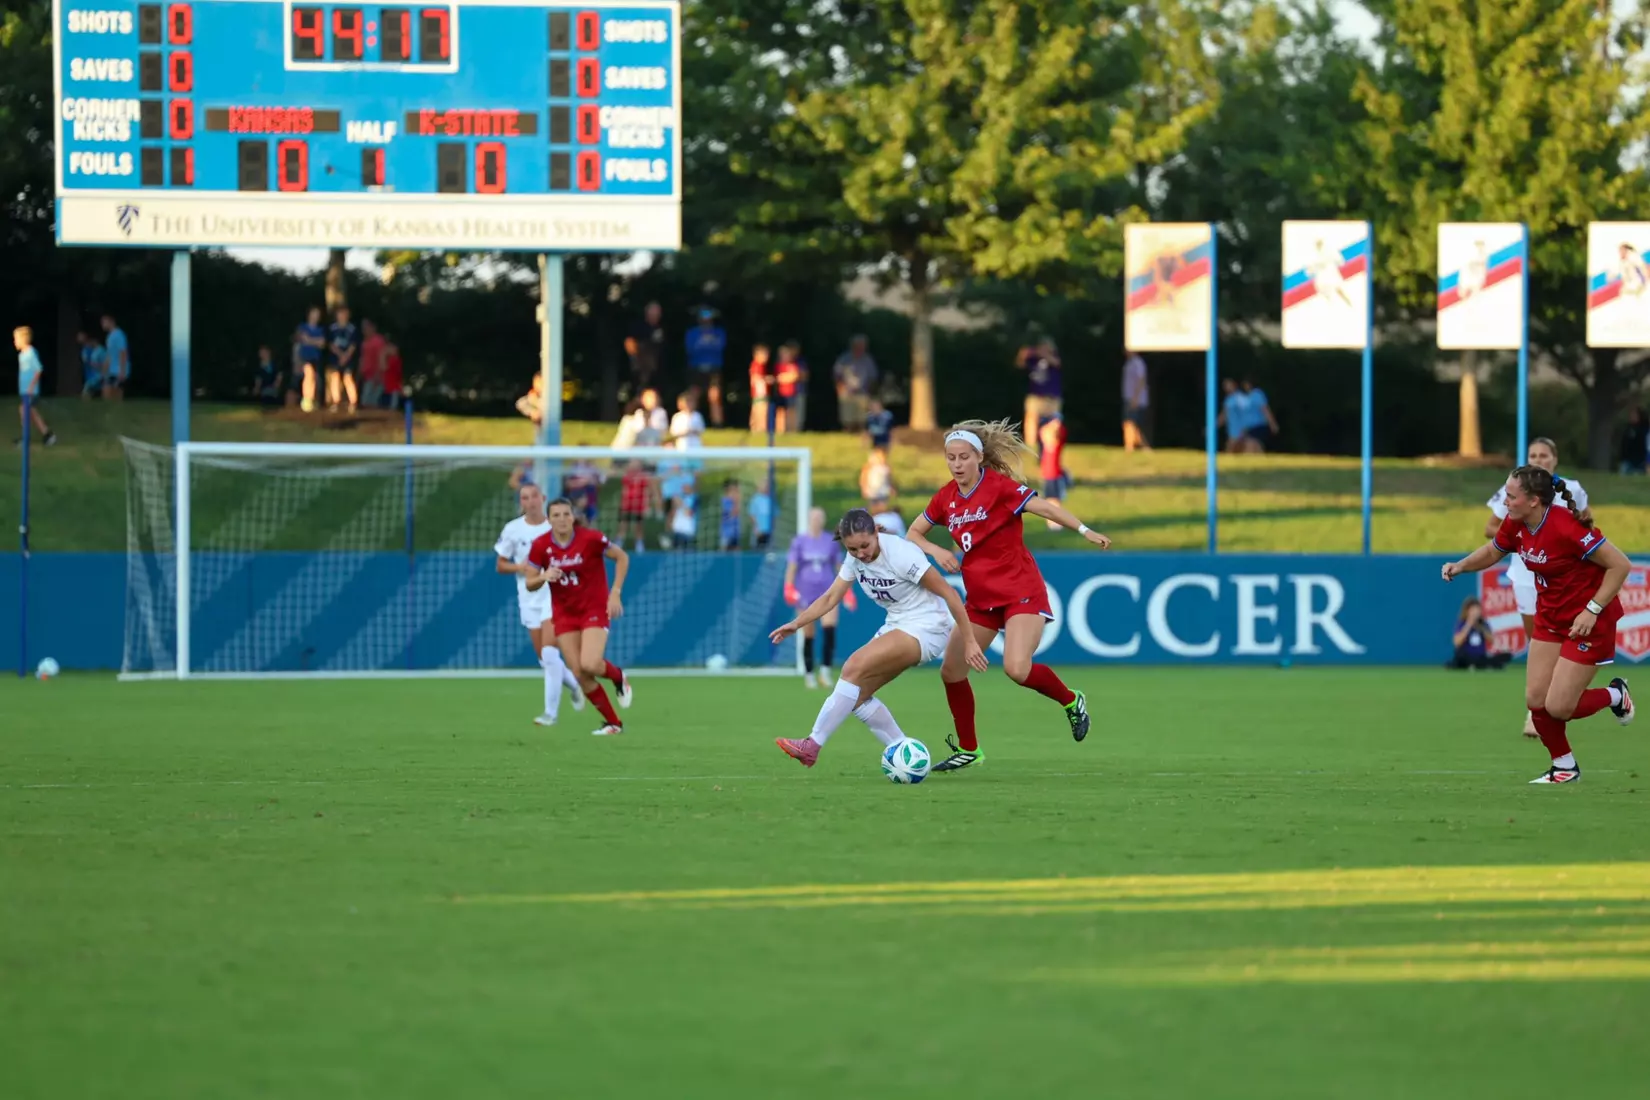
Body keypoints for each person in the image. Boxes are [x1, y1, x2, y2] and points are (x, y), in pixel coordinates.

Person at [906, 420, 1112, 772]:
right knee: (952, 671)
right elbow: (913, 532)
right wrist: (934, 551)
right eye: (951, 458)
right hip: (981, 598)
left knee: (1017, 669)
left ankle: (1071, 700)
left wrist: (1084, 529)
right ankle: (969, 749)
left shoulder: (1000, 488)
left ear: (978, 457)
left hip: (1021, 592)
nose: (956, 464)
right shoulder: (945, 498)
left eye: (963, 458)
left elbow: (1045, 508)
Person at [1443, 465, 1635, 784]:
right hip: (1550, 618)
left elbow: (1620, 565)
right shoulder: (1515, 524)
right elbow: (1493, 550)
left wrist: (1592, 609)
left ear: (1533, 501)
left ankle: (1615, 695)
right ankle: (1564, 767)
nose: (1505, 501)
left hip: (1588, 622)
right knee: (1536, 702)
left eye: (1511, 496)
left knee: (1559, 707)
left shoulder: (1565, 525)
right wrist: (1460, 566)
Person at [772, 509, 988, 768]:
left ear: (876, 532)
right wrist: (796, 624)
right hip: (898, 623)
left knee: (852, 666)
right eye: (852, 549)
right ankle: (907, 754)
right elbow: (830, 598)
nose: (860, 553)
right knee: (857, 696)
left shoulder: (900, 553)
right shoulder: (855, 560)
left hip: (927, 626)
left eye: (864, 545)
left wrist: (970, 641)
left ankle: (812, 745)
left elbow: (950, 594)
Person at [1485, 436, 1588, 737]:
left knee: (1564, 645)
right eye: (1534, 454)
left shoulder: (1573, 489)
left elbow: (1586, 527)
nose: (1540, 459)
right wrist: (1526, 540)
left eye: (1545, 455)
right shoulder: (1516, 489)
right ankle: (1536, 710)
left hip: (1565, 580)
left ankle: (1555, 706)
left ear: (1554, 459)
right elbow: (1491, 527)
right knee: (1539, 642)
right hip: (1527, 575)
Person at [525, 498, 633, 736]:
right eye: (556, 515)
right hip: (564, 615)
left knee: (590, 663)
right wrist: (544, 576)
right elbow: (529, 582)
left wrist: (615, 593)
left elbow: (622, 557)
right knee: (580, 674)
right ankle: (614, 724)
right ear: (548, 519)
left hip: (593, 609)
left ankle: (618, 676)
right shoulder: (540, 546)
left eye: (566, 514)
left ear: (573, 517)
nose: (562, 519)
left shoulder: (590, 538)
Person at [494, 482, 584, 726]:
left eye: (534, 496)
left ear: (542, 498)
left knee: (549, 651)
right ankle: (575, 686)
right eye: (525, 497)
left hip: (554, 596)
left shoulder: (555, 525)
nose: (530, 501)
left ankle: (550, 714)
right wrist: (520, 567)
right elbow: (500, 564)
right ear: (521, 502)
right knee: (546, 659)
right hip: (529, 596)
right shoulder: (513, 529)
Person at [786, 506, 854, 688]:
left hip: (827, 592)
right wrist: (789, 587)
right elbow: (792, 566)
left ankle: (825, 670)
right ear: (809, 519)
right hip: (805, 594)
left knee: (829, 629)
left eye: (820, 518)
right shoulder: (799, 541)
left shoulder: (829, 541)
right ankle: (809, 673)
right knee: (808, 634)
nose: (817, 521)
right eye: (814, 517)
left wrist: (847, 590)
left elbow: (839, 566)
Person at [13, 327, 57, 447]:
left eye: (16, 339)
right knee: (32, 413)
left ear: (23, 339)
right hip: (25, 391)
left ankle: (25, 439)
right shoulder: (21, 355)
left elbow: (38, 370)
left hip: (31, 391)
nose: (14, 342)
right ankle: (48, 435)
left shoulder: (30, 353)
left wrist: (32, 387)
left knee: (23, 410)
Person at [1016, 335, 1062, 445]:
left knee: (1053, 422)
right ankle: (1030, 443)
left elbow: (1057, 363)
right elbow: (1020, 363)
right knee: (1031, 419)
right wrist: (1025, 353)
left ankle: (1051, 444)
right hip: (1036, 395)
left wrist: (1042, 353)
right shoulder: (1033, 359)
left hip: (1052, 396)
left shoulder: (1054, 357)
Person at [685, 307, 727, 427]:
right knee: (694, 395)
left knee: (715, 396)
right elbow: (691, 349)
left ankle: (717, 424)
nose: (706, 320)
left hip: (714, 367)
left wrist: (704, 344)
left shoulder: (719, 332)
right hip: (696, 368)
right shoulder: (692, 333)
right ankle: (692, 422)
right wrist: (706, 344)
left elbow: (719, 348)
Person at [1449, 597, 1511, 671]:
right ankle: (1476, 665)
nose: (1475, 613)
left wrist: (1480, 628)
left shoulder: (1483, 624)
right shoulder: (1462, 624)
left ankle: (1476, 665)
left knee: (1505, 655)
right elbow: (1457, 642)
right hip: (1466, 656)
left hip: (1480, 656)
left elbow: (1492, 640)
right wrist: (1468, 625)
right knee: (1459, 656)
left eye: (1477, 610)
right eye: (1473, 610)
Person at [833, 335, 878, 432]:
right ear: (853, 346)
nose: (861, 348)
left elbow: (872, 377)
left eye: (863, 345)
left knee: (861, 419)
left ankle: (859, 437)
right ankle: (847, 437)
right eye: (859, 345)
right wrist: (840, 389)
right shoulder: (844, 359)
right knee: (847, 419)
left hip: (862, 393)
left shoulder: (868, 360)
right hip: (847, 392)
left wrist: (869, 392)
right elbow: (837, 375)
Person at [625, 300, 665, 397]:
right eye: (655, 311)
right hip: (640, 368)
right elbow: (629, 343)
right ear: (647, 312)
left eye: (658, 312)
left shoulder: (660, 328)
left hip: (656, 368)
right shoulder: (637, 327)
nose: (657, 314)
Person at [616, 460, 657, 553]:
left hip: (639, 505)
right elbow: (624, 489)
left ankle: (639, 545)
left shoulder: (644, 477)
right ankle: (619, 543)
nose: (634, 465)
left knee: (639, 525)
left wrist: (646, 505)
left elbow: (647, 491)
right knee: (623, 524)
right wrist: (623, 502)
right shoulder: (627, 475)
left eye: (636, 464)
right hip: (627, 504)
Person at [1037, 413, 1069, 532]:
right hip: (1048, 475)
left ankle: (1055, 523)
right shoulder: (1046, 439)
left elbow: (1059, 431)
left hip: (1055, 475)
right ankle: (1052, 523)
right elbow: (1043, 431)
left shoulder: (1058, 439)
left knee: (1054, 500)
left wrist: (1054, 424)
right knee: (1051, 500)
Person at [326, 305, 360, 413]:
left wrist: (346, 356)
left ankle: (353, 402)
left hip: (348, 358)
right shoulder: (332, 328)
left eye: (345, 314)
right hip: (335, 357)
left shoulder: (352, 329)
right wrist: (340, 354)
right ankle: (336, 402)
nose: (342, 316)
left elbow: (353, 345)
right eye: (340, 314)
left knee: (348, 378)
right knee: (335, 378)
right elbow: (330, 344)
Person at [294, 307, 326, 412]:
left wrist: (310, 340)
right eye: (314, 314)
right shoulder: (302, 327)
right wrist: (315, 341)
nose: (315, 316)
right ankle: (307, 399)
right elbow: (303, 339)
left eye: (317, 314)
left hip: (316, 357)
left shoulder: (320, 329)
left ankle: (312, 399)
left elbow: (322, 343)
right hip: (305, 357)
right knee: (309, 375)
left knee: (315, 379)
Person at [1121, 348, 1150, 451]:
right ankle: (1144, 447)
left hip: (1135, 398)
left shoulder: (1137, 363)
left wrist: (1135, 398)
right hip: (1129, 397)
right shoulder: (1129, 363)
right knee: (1134, 425)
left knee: (1129, 422)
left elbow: (1141, 380)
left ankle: (1129, 447)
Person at [774, 342, 806, 432]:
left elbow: (795, 376)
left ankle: (792, 429)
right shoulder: (778, 366)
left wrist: (784, 378)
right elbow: (777, 378)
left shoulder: (793, 365)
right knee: (780, 412)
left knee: (791, 411)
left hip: (791, 393)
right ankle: (780, 429)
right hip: (781, 393)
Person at [1240, 378, 1280, 452]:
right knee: (1256, 448)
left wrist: (1272, 423)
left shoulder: (1257, 394)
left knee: (1250, 446)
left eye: (1247, 384)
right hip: (1249, 428)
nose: (1246, 386)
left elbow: (1265, 409)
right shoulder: (1246, 398)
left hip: (1258, 426)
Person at [1216, 377, 1252, 453]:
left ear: (1234, 385)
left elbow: (1247, 414)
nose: (1227, 388)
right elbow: (1224, 416)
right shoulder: (1229, 400)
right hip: (1233, 433)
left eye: (1229, 385)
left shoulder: (1240, 398)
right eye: (1225, 386)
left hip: (1239, 434)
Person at [358, 319, 387, 408]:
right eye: (363, 328)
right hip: (367, 377)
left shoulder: (378, 341)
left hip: (375, 377)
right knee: (366, 401)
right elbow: (362, 359)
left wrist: (378, 375)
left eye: (366, 327)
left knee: (369, 401)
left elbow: (381, 358)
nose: (365, 330)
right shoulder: (364, 343)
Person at [101, 313, 129, 400]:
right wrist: (104, 369)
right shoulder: (109, 337)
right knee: (106, 394)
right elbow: (109, 354)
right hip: (111, 370)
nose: (102, 324)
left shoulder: (119, 335)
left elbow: (123, 352)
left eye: (104, 322)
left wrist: (122, 371)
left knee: (116, 396)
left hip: (118, 370)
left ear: (111, 322)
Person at [859, 446, 895, 512]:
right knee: (873, 506)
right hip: (873, 490)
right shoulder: (869, 467)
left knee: (883, 506)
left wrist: (891, 487)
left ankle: (881, 516)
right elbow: (864, 477)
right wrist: (864, 488)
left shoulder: (886, 467)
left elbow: (889, 478)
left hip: (884, 490)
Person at [748, 344, 772, 434]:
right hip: (760, 393)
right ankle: (760, 429)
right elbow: (757, 379)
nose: (766, 357)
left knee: (758, 411)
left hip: (758, 393)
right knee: (761, 412)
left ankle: (756, 429)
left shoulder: (760, 366)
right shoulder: (757, 365)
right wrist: (767, 380)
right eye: (764, 354)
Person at [77, 329, 107, 398]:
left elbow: (98, 362)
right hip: (90, 375)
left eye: (80, 336)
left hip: (96, 375)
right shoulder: (84, 349)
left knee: (87, 392)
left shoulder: (97, 350)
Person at [747, 478, 776, 549]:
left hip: (768, 532)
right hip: (758, 532)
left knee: (769, 550)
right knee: (757, 549)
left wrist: (772, 527)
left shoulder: (771, 500)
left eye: (768, 486)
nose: (766, 487)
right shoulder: (755, 499)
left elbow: (774, 516)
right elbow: (751, 515)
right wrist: (757, 527)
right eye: (764, 485)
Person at [1620, 407, 1648, 475]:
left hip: (1640, 461)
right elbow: (1624, 444)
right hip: (1628, 460)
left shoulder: (1644, 430)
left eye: (1634, 415)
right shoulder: (1627, 429)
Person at [718, 479, 743, 551]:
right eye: (733, 491)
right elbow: (733, 513)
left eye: (736, 491)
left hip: (735, 533)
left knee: (737, 557)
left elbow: (737, 513)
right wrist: (737, 501)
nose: (735, 494)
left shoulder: (735, 502)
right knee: (724, 556)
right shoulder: (725, 501)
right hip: (726, 534)